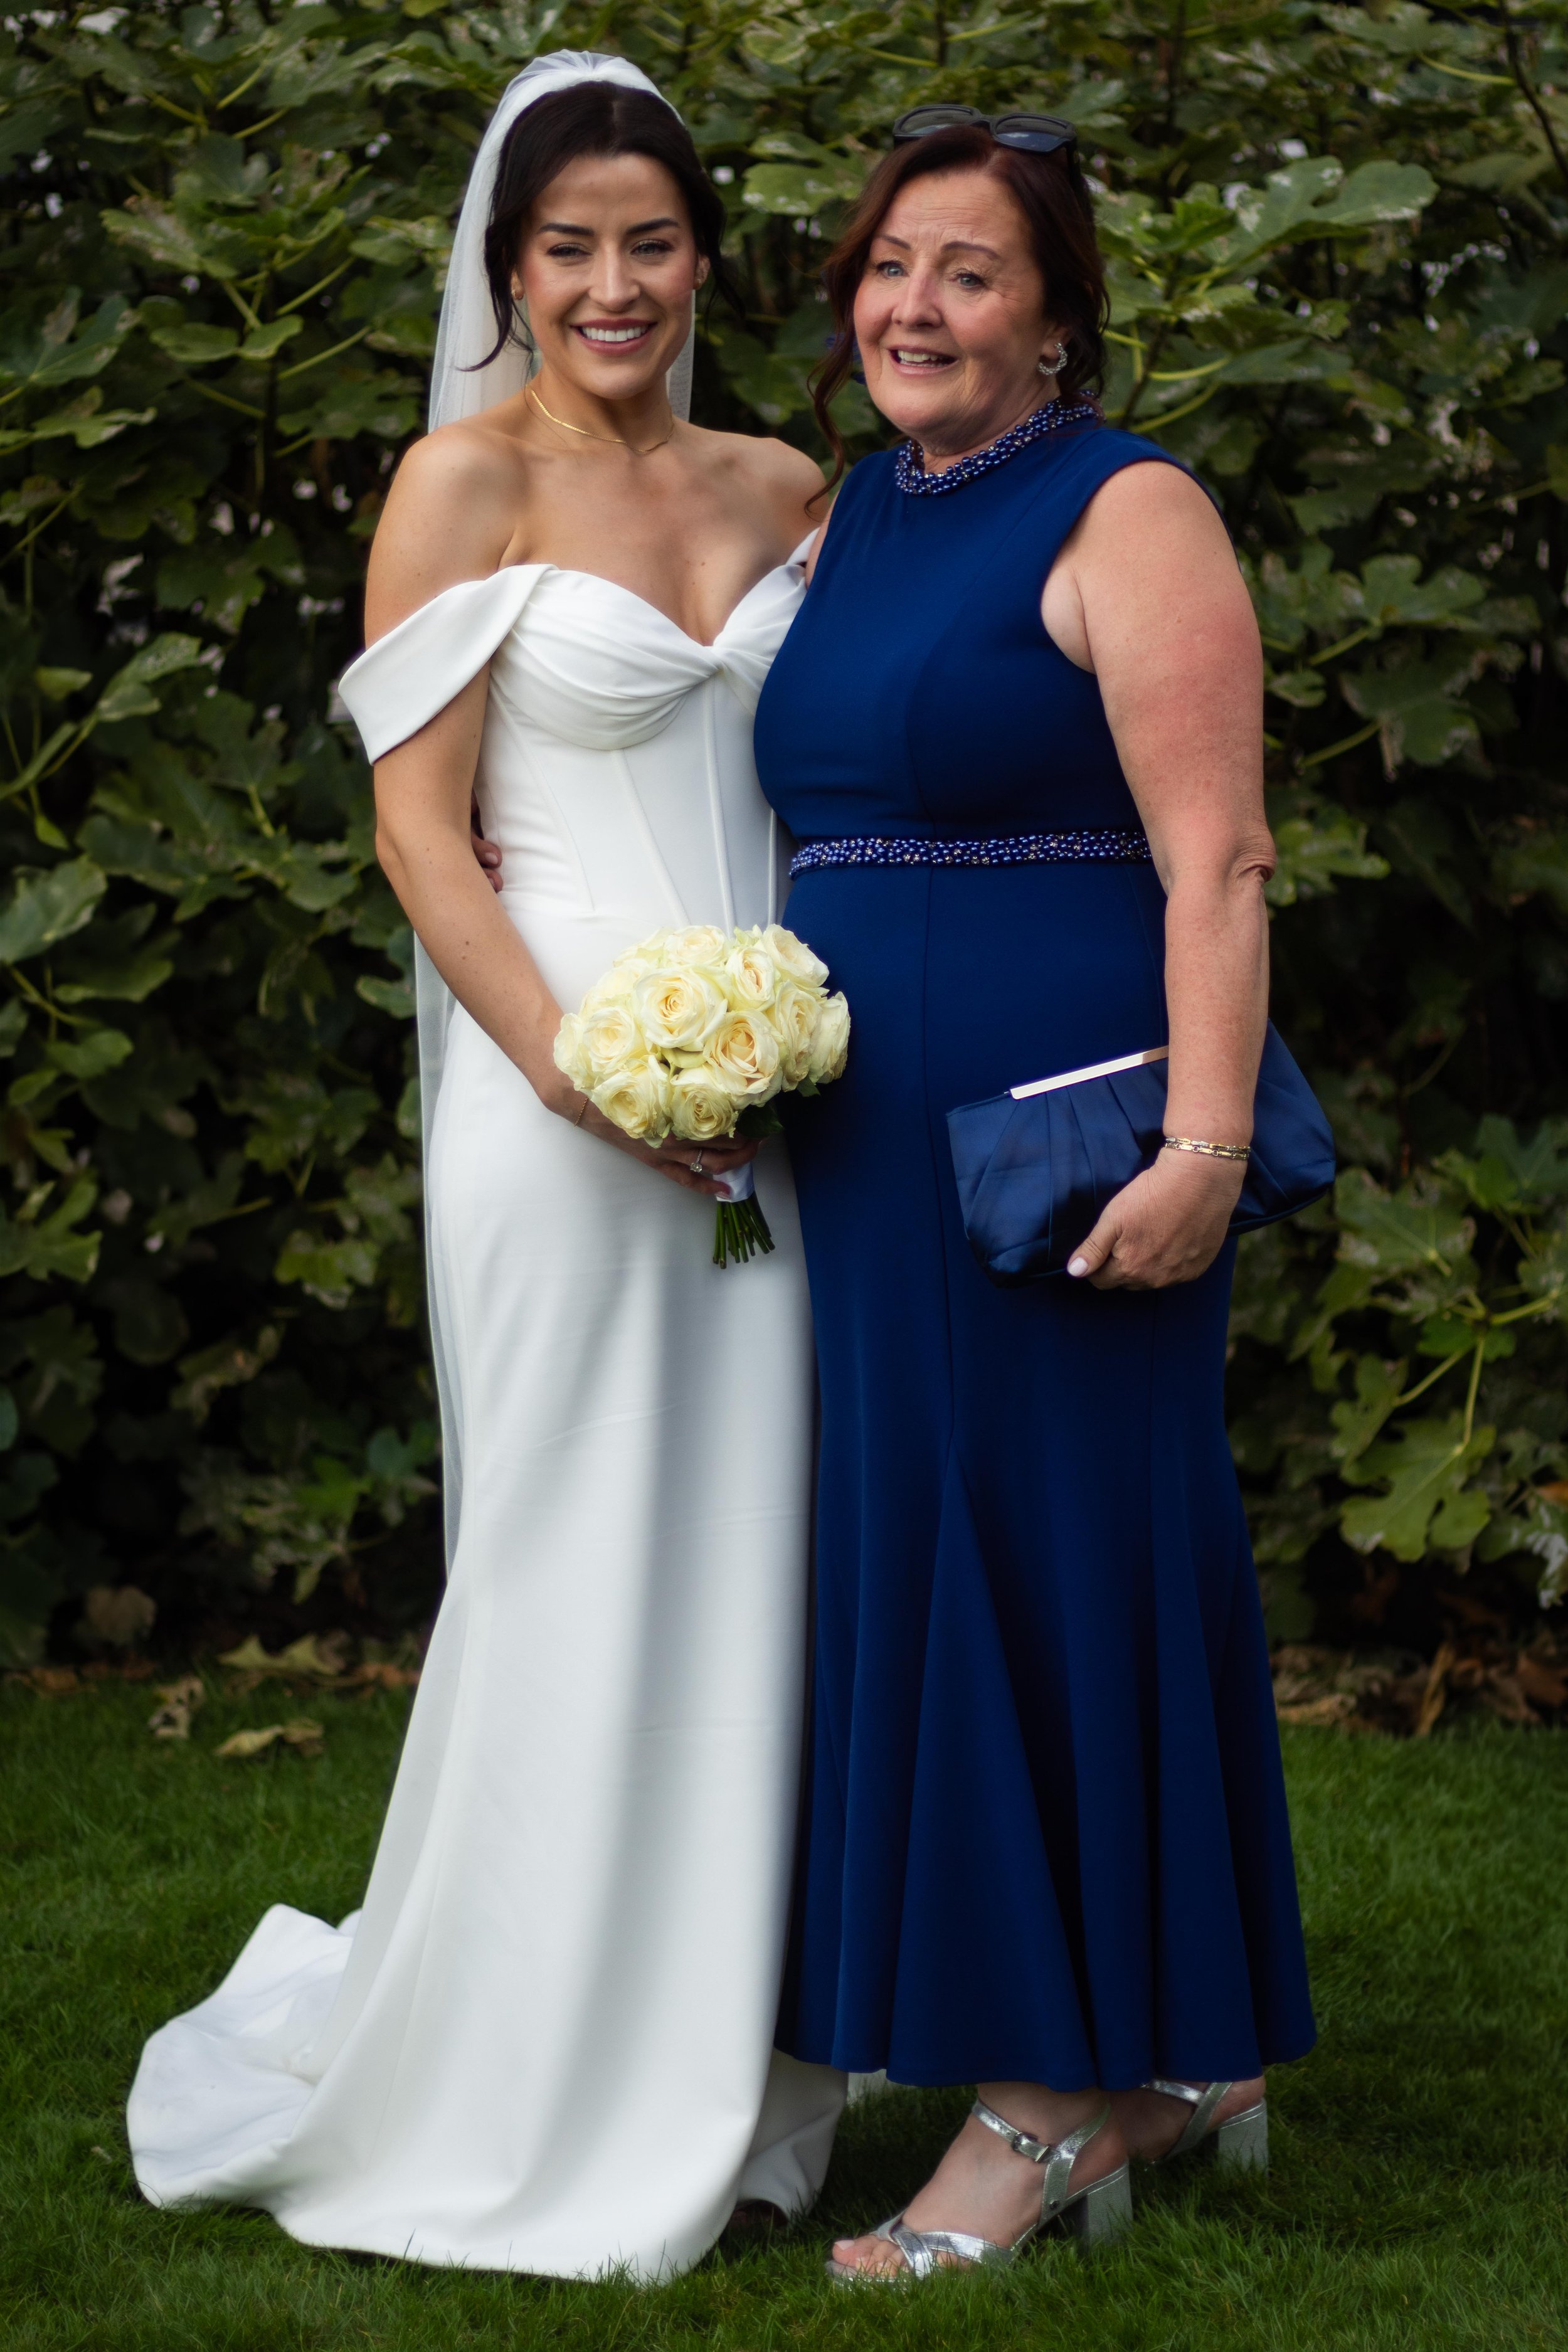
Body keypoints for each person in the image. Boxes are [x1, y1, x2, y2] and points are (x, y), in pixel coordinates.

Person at [125, 52, 845, 2279]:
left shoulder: (788, 481)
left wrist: (787, 1052)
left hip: (794, 1095)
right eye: (571, 249)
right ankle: (528, 2076)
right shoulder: (460, 486)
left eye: (650, 242)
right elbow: (420, 840)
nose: (613, 285)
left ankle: (738, 2081)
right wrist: (583, 1078)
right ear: (509, 269)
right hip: (572, 1098)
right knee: (573, 1556)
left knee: (766, 1568)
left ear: (698, 257)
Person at [750, 108, 1317, 2279]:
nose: (914, 306)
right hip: (871, 1152)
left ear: (1055, 315)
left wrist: (1196, 1146)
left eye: (968, 272)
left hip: (1064, 1140)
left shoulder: (1128, 502)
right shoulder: (858, 516)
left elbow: (1216, 859)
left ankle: (1036, 2111)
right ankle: (1179, 2059)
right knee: (953, 1568)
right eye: (890, 266)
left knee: (1065, 1571)